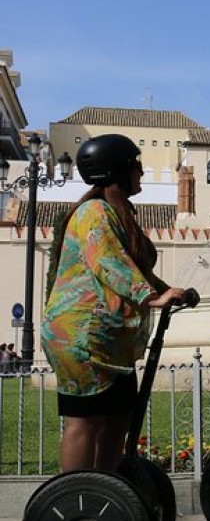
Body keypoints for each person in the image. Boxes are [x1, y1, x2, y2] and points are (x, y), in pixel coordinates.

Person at [41, 134, 190, 472]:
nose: (141, 169)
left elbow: (133, 267)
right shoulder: (93, 211)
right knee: (86, 421)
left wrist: (169, 291)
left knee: (119, 417)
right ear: (119, 169)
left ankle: (107, 493)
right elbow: (109, 261)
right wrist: (152, 297)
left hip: (108, 338)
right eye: (136, 163)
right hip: (81, 336)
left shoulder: (117, 212)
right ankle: (76, 498)